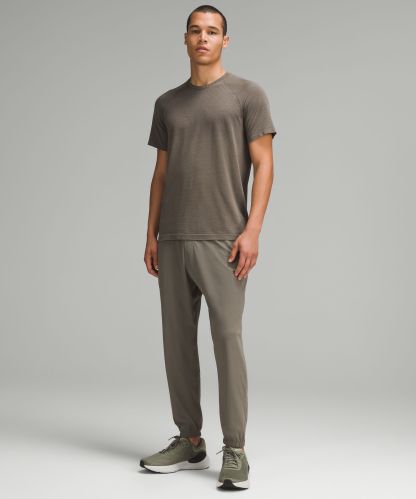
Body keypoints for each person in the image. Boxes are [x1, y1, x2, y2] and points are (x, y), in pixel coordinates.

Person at [140, 4, 277, 490]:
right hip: (174, 237)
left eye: (213, 31)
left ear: (225, 40)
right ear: (185, 39)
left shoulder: (247, 94)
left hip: (224, 240)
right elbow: (161, 173)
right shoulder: (167, 103)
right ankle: (189, 440)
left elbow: (265, 164)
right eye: (196, 31)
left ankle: (235, 449)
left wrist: (252, 229)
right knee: (177, 343)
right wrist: (151, 233)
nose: (204, 38)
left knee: (227, 341)